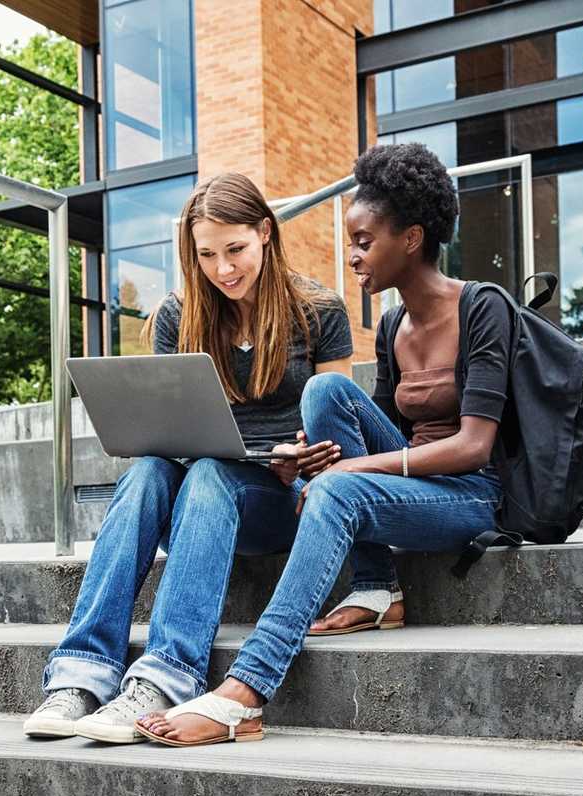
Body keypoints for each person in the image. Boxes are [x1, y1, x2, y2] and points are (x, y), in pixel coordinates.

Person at [137, 142, 511, 747]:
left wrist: (343, 475)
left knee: (335, 477)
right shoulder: (391, 325)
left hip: (472, 492)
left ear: (411, 238)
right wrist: (302, 460)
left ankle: (245, 693)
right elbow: (377, 426)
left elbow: (473, 447)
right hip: (412, 480)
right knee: (326, 392)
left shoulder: (483, 308)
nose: (353, 256)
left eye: (363, 242)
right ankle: (378, 584)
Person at [23, 172, 354, 744]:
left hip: (279, 499)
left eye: (236, 250)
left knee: (208, 474)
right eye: (207, 255)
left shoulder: (319, 310)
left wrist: (300, 454)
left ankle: (165, 679)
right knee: (151, 469)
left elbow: (337, 431)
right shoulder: (179, 316)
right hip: (201, 498)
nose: (224, 269)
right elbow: (164, 428)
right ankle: (81, 674)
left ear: (266, 234)